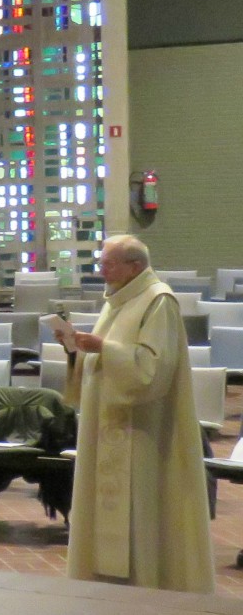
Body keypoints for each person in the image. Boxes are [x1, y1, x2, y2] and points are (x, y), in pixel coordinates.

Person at [63, 235, 214, 593]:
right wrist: (77, 350)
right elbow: (105, 354)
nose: (101, 270)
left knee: (141, 505)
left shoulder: (158, 301)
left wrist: (103, 348)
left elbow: (152, 370)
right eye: (101, 262)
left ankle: (144, 580)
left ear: (135, 266)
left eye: (108, 263)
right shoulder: (117, 300)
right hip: (108, 422)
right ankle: (100, 580)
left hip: (143, 428)